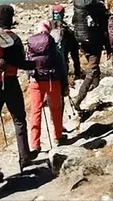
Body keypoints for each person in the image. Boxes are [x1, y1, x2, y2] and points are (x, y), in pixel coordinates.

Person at [0, 5, 36, 183]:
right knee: (19, 119)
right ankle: (24, 157)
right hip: (10, 82)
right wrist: (35, 65)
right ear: (10, 18)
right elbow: (21, 63)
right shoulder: (13, 38)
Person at [26, 20, 67, 154]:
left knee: (35, 111)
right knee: (55, 108)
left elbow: (27, 61)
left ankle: (35, 143)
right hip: (52, 80)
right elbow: (60, 63)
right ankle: (58, 136)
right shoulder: (52, 41)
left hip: (35, 81)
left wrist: (30, 77)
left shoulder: (31, 42)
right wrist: (64, 82)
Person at [73, 0, 111, 110]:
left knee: (94, 67)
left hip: (82, 43)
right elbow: (105, 31)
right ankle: (78, 100)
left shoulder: (80, 11)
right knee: (92, 70)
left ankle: (96, 88)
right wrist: (108, 47)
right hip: (95, 44)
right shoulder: (100, 11)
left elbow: (74, 23)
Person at [49, 4, 82, 79]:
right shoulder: (64, 26)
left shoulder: (50, 24)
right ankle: (77, 73)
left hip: (56, 46)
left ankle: (64, 74)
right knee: (75, 56)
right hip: (68, 43)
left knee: (63, 58)